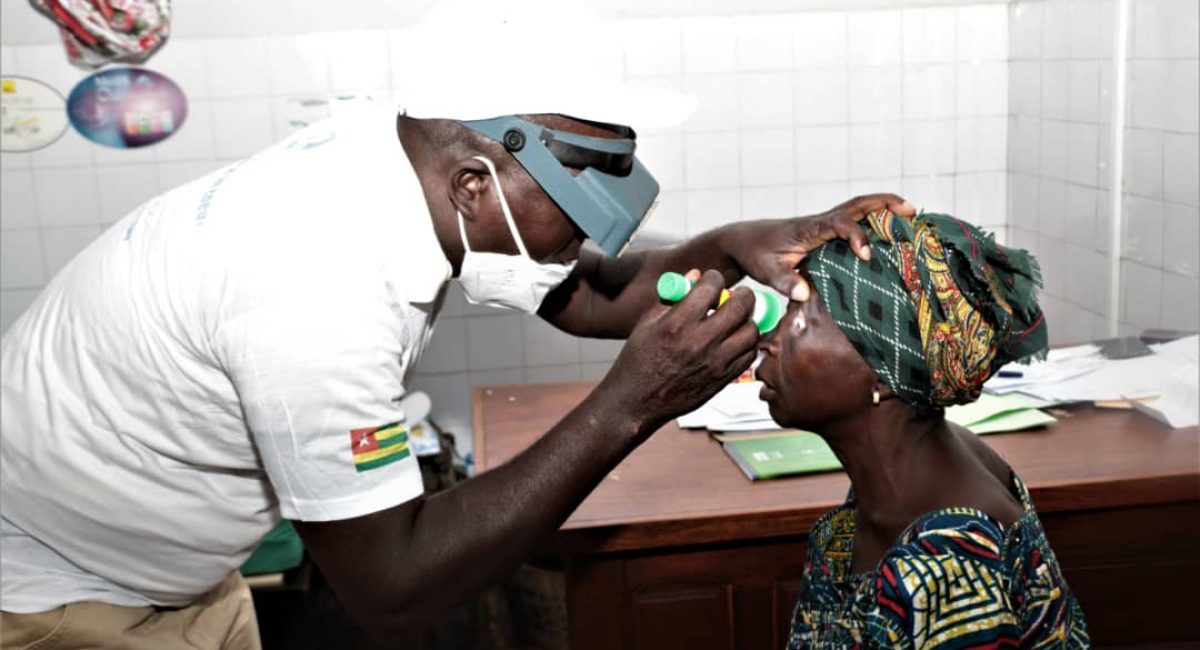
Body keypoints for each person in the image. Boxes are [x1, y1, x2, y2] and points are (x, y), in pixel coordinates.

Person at [0, 38, 920, 650]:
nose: (586, 241)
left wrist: (744, 240)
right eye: (575, 211)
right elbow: (393, 588)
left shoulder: (395, 160)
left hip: (178, 575)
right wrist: (632, 403)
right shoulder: (314, 284)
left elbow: (593, 297)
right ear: (473, 184)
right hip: (65, 602)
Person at [755, 209, 1090, 648]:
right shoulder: (907, 469)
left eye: (800, 320)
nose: (769, 339)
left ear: (882, 373)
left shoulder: (946, 567)